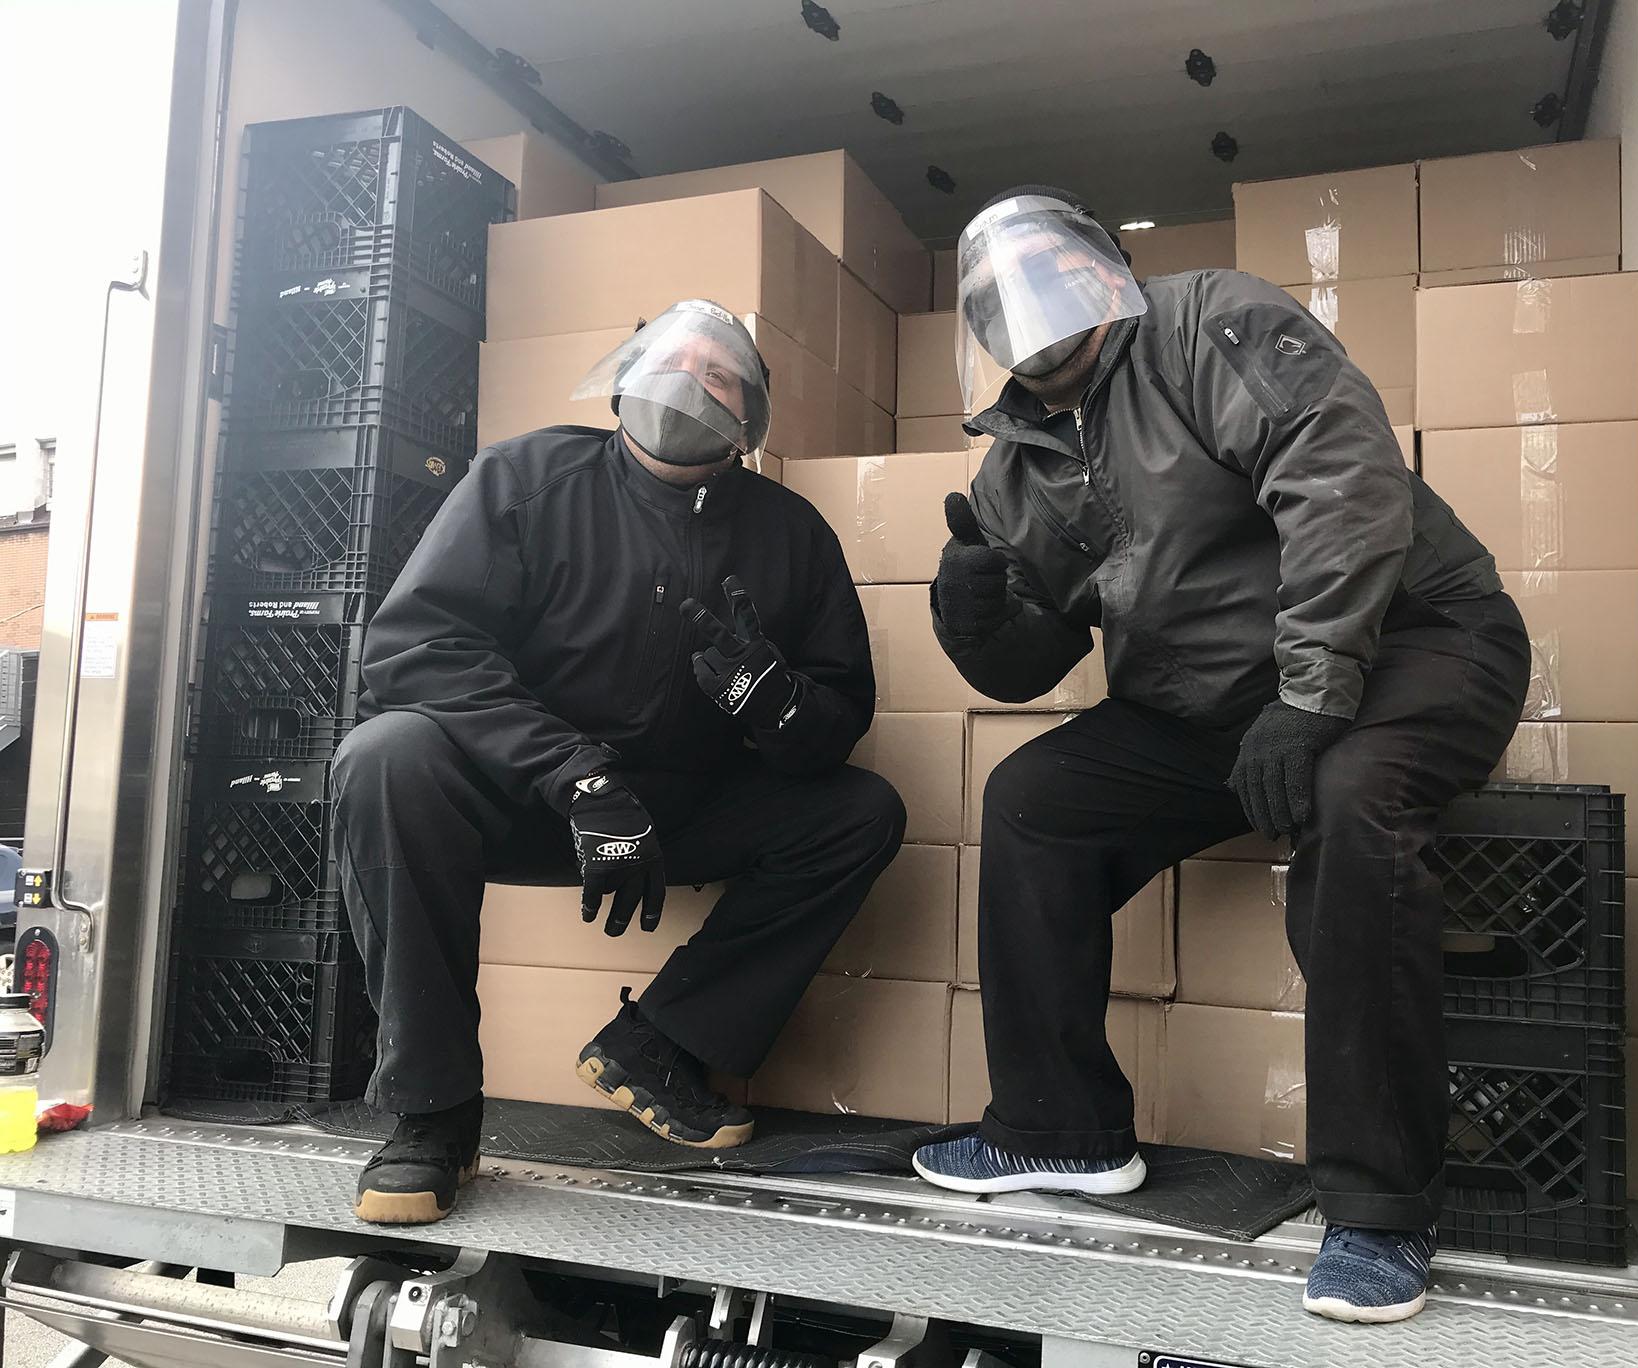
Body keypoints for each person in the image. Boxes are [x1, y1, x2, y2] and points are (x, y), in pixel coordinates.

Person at [909, 188, 1529, 1325]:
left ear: (1102, 264)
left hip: (1412, 637)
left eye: (1049, 267)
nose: (1027, 301)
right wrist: (972, 612)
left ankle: (1383, 1210)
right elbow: (1023, 667)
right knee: (1035, 800)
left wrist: (1310, 694)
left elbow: (1340, 480)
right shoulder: (1009, 469)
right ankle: (1059, 1129)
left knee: (1353, 796)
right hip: (1219, 702)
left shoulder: (1210, 324)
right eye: (995, 293)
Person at [332, 299, 906, 1226]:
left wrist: (774, 700)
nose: (689, 383)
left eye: (718, 375)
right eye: (671, 363)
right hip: (532, 797)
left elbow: (837, 723)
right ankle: (431, 1114)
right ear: (626, 376)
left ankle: (663, 1044)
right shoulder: (527, 475)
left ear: (751, 419)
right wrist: (578, 776)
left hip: (684, 808)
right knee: (386, 754)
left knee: (863, 810)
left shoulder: (792, 533)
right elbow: (417, 648)